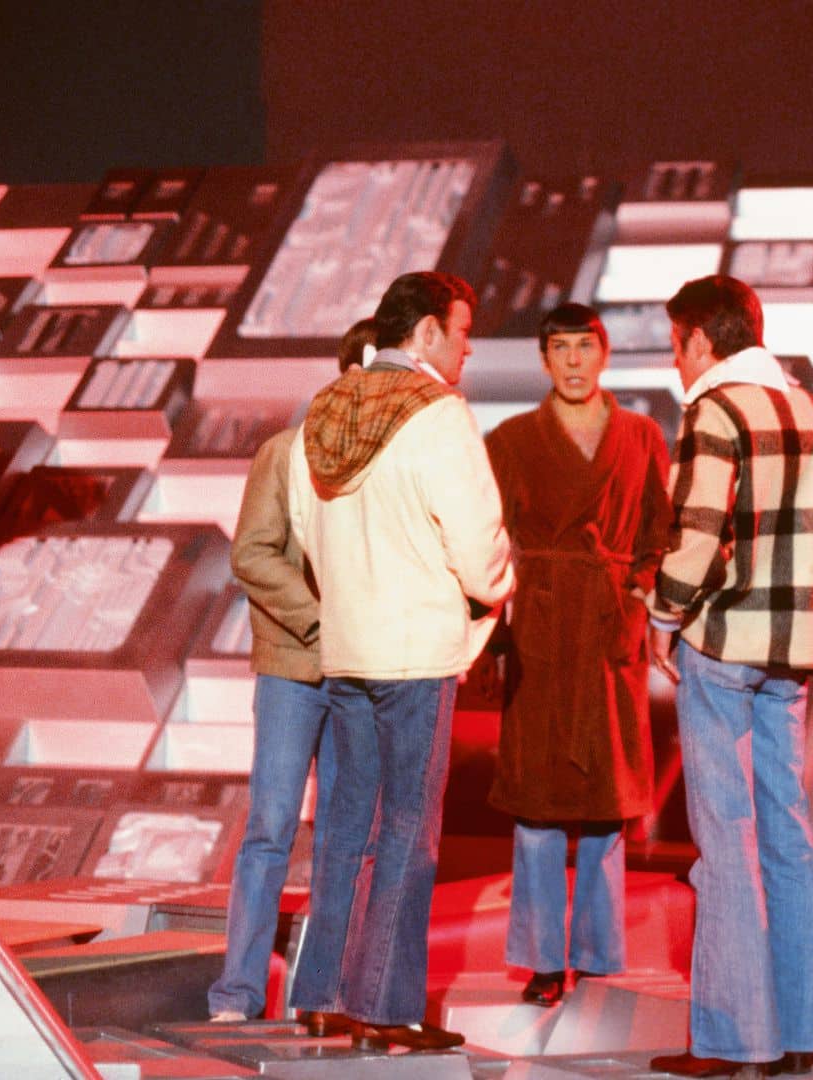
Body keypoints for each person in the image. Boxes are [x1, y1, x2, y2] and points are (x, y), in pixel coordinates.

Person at [287, 271, 515, 1049]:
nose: (466, 348)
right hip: (414, 649)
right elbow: (477, 541)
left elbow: (301, 527)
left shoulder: (323, 407)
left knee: (345, 827)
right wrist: (494, 593)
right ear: (423, 334)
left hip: (346, 645)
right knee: (409, 828)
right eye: (459, 332)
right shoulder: (439, 415)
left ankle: (320, 992)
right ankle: (386, 1008)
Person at [645, 276, 813, 1079]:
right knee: (788, 835)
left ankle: (735, 1041)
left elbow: (696, 534)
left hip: (724, 642)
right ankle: (802, 1033)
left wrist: (662, 618)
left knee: (724, 839)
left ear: (700, 338)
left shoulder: (717, 408)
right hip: (792, 649)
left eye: (675, 342)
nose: (675, 358)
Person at [485, 303, 671, 1007]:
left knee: (605, 801)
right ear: (543, 359)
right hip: (537, 627)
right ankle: (539, 959)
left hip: (607, 624)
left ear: (604, 354)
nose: (571, 361)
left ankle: (596, 951)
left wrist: (642, 595)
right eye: (558, 348)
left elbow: (660, 529)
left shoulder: (642, 434)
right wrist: (492, 632)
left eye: (582, 347)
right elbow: (487, 543)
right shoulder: (508, 439)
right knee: (536, 804)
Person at [206, 318, 376, 1024]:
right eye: (362, 380)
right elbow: (250, 553)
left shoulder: (385, 465)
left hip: (362, 669)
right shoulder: (282, 452)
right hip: (291, 664)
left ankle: (324, 993)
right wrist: (319, 618)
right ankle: (236, 995)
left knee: (346, 834)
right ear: (340, 375)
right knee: (271, 826)